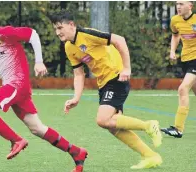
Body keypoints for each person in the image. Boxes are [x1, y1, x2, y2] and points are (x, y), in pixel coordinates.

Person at [0, 7, 88, 172]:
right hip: (17, 88)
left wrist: (39, 62)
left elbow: (32, 34)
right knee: (37, 128)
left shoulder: (4, 32)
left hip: (16, 84)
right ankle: (76, 152)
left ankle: (16, 140)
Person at [49, 10, 163, 169]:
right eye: (55, 29)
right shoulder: (69, 47)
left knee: (103, 120)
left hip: (116, 77)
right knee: (113, 126)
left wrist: (126, 68)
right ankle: (151, 156)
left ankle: (149, 125)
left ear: (71, 25)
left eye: (60, 27)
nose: (57, 32)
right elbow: (79, 74)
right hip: (104, 83)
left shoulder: (88, 34)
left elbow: (120, 40)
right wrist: (76, 97)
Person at [161, 1, 196, 138]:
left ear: (190, 6)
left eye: (181, 3)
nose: (178, 6)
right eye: (177, 4)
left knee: (182, 89)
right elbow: (175, 35)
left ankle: (178, 128)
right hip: (185, 60)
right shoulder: (175, 20)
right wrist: (172, 51)